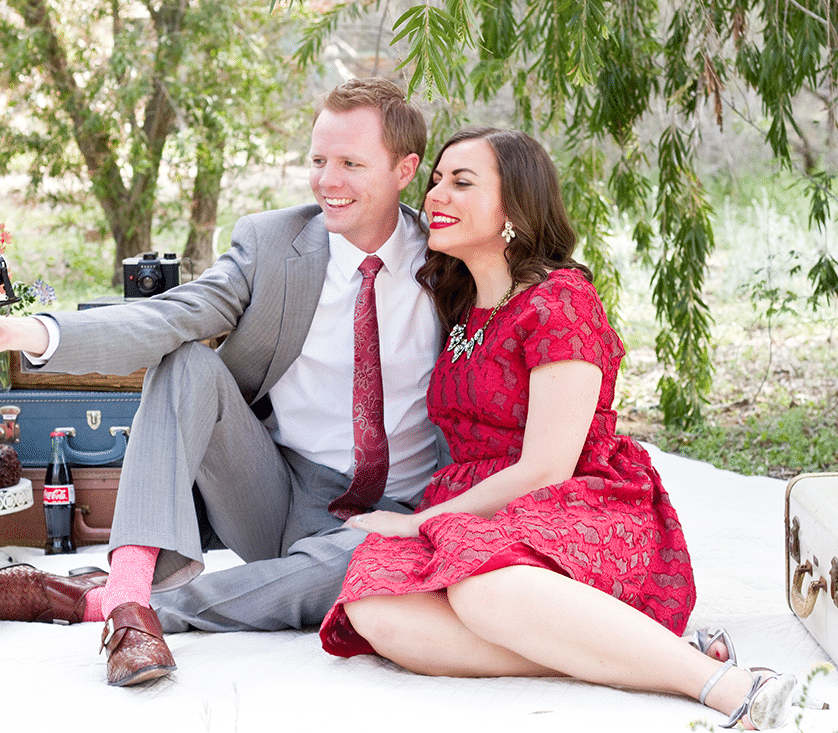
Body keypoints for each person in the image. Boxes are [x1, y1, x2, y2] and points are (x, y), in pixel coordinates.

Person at [0, 77, 449, 687]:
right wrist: (19, 334)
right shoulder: (273, 243)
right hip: (278, 495)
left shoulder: (450, 257)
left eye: (352, 164)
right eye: (319, 160)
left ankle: (113, 604)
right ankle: (132, 601)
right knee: (184, 360)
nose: (328, 181)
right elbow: (165, 316)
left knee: (375, 569)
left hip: (398, 515)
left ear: (405, 169)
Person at [316, 127, 804, 730]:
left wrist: (420, 520)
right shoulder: (464, 305)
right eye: (437, 178)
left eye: (462, 182)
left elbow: (548, 464)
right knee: (376, 608)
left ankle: (726, 685)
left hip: (579, 499)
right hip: (487, 508)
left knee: (483, 592)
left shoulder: (559, 301)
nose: (437, 195)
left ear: (515, 209)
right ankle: (641, 652)